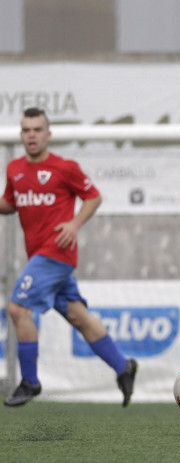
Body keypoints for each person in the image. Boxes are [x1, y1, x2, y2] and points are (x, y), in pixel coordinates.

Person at [1, 107, 137, 407]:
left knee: (17, 308)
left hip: (57, 253)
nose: (31, 135)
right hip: (39, 255)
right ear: (21, 135)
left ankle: (30, 381)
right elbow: (9, 204)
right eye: (26, 130)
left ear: (48, 135)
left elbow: (94, 196)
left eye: (37, 129)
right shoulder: (14, 170)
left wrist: (75, 223)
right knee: (77, 315)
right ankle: (123, 367)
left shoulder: (65, 167)